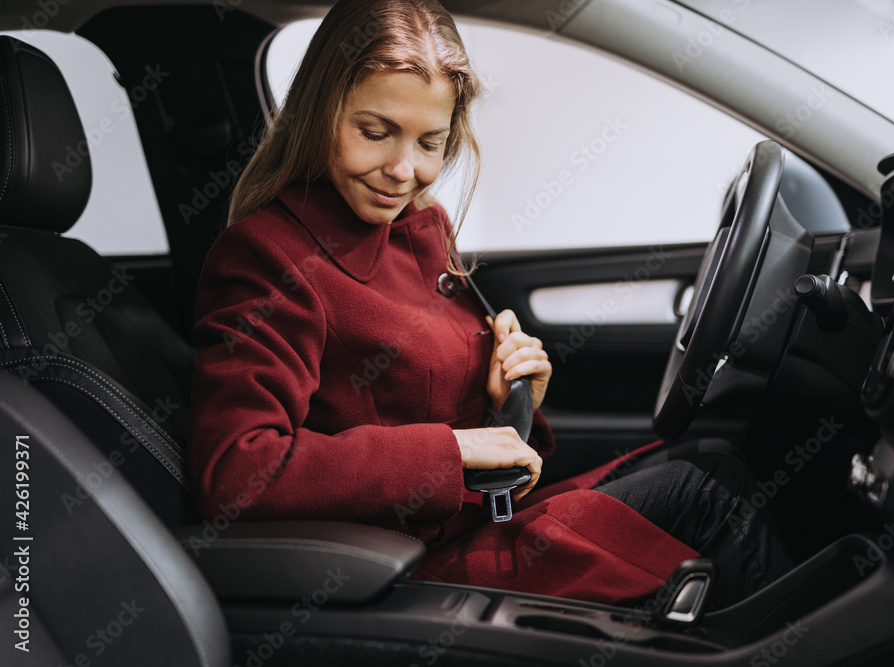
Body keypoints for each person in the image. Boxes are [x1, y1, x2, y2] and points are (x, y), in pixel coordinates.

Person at [189, 0, 791, 608]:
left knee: (714, 461)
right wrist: (452, 450)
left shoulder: (422, 224)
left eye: (431, 141)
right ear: (319, 114)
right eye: (374, 133)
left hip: (481, 522)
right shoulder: (268, 257)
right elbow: (240, 472)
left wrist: (510, 402)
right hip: (402, 574)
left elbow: (428, 405)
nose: (404, 171)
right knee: (702, 497)